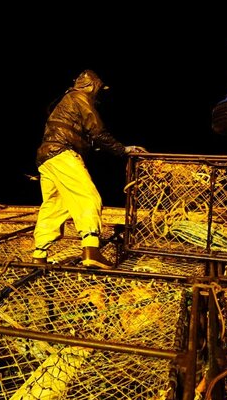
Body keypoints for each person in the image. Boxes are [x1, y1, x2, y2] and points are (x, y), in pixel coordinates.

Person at [31, 69, 146, 269]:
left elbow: (83, 136)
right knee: (88, 196)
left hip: (46, 157)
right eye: (99, 89)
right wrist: (123, 150)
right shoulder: (79, 98)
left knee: (55, 205)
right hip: (62, 153)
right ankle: (91, 249)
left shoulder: (65, 102)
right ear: (91, 86)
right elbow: (97, 130)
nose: (99, 94)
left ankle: (39, 254)